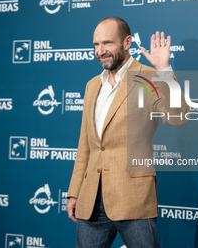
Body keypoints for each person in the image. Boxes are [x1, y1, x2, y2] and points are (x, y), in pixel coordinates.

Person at [66, 16, 188, 248]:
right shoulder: (92, 85)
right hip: (91, 199)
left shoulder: (148, 76)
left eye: (107, 43)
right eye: (96, 45)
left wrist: (163, 70)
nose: (100, 51)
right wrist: (75, 192)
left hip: (133, 196)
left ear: (126, 42)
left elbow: (178, 117)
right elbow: (86, 145)